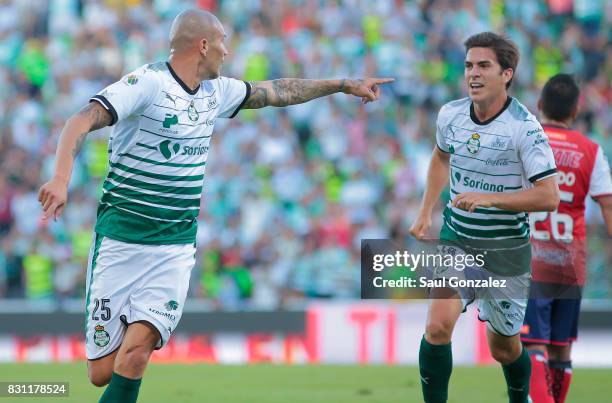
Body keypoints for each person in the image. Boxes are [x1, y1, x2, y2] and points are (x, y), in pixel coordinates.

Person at [37, 9, 392, 403]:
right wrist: (60, 178)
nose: (227, 50)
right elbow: (79, 120)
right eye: (222, 41)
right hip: (120, 242)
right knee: (102, 373)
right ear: (203, 45)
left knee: (137, 354)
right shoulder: (147, 83)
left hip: (173, 249)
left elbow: (277, 91)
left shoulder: (216, 92)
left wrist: (342, 84)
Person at [409, 32, 560, 403]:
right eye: (468, 66)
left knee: (504, 349)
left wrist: (489, 200)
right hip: (457, 239)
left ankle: (519, 396)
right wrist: (426, 209)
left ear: (507, 74)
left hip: (506, 250)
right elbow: (441, 157)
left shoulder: (525, 128)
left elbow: (549, 196)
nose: (473, 74)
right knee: (437, 327)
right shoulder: (451, 115)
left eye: (483, 66)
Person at [521, 74, 612, 403]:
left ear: (540, 105)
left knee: (533, 346)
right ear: (576, 110)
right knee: (561, 349)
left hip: (533, 258)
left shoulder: (527, 140)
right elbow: (607, 204)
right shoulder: (591, 151)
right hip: (572, 263)